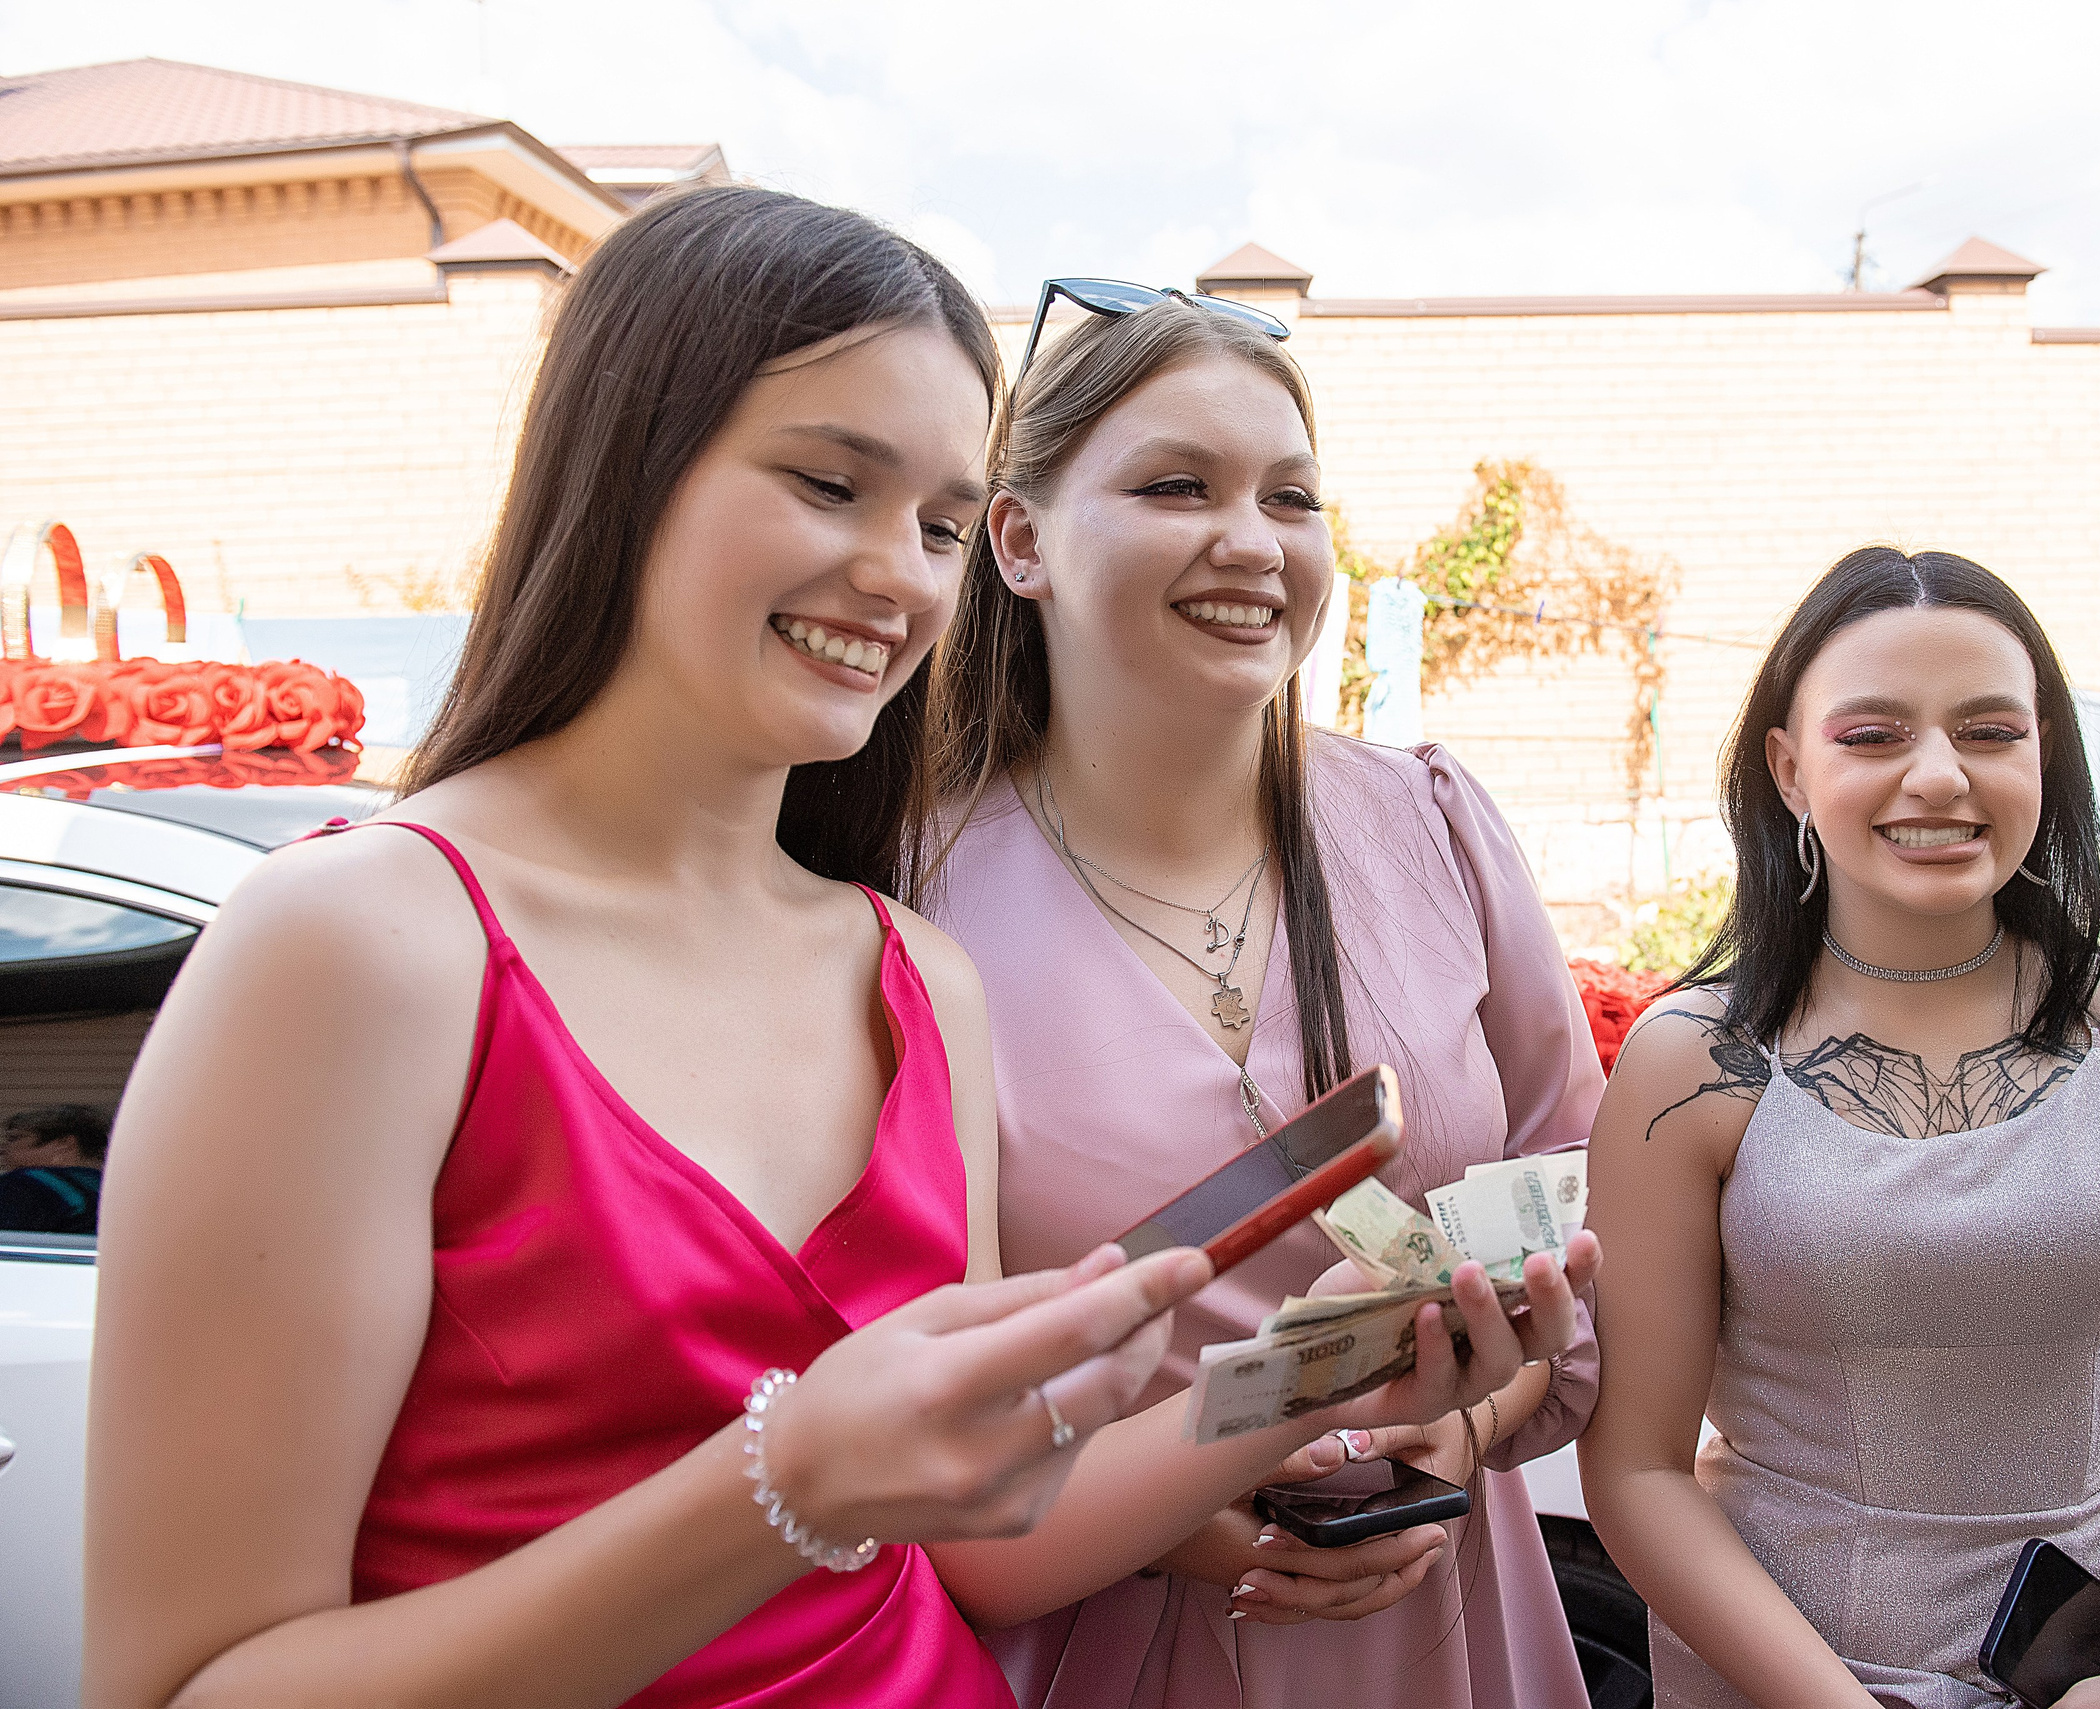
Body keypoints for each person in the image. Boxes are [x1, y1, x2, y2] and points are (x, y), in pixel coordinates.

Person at [85, 190, 1587, 1709]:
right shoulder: (357, 946)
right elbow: (189, 1680)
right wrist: (786, 1484)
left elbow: (997, 1535)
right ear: (627, 463)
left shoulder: (909, 970)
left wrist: (1332, 1377)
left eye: (935, 521)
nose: (899, 574)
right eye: (829, 485)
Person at [916, 285, 1607, 1709]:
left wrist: (1464, 1426)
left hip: (1443, 1613)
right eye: (1177, 484)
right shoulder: (903, 901)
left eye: (1291, 497)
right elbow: (918, 1396)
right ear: (1021, 537)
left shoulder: (1435, 825)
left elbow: (1583, 1191)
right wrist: (1208, 1510)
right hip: (1093, 1633)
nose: (1251, 541)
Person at [1580, 547, 2100, 1708]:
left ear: (2043, 751)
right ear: (1787, 766)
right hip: (1772, 1662)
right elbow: (1637, 1462)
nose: (1937, 777)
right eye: (1871, 736)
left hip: (2087, 1667)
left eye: (1988, 731)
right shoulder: (1693, 1062)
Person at [0, 1102, 108, 1234]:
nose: (3, 1149)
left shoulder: (24, 1185)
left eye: (15, 1138)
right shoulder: (118, 1192)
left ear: (65, 1144)